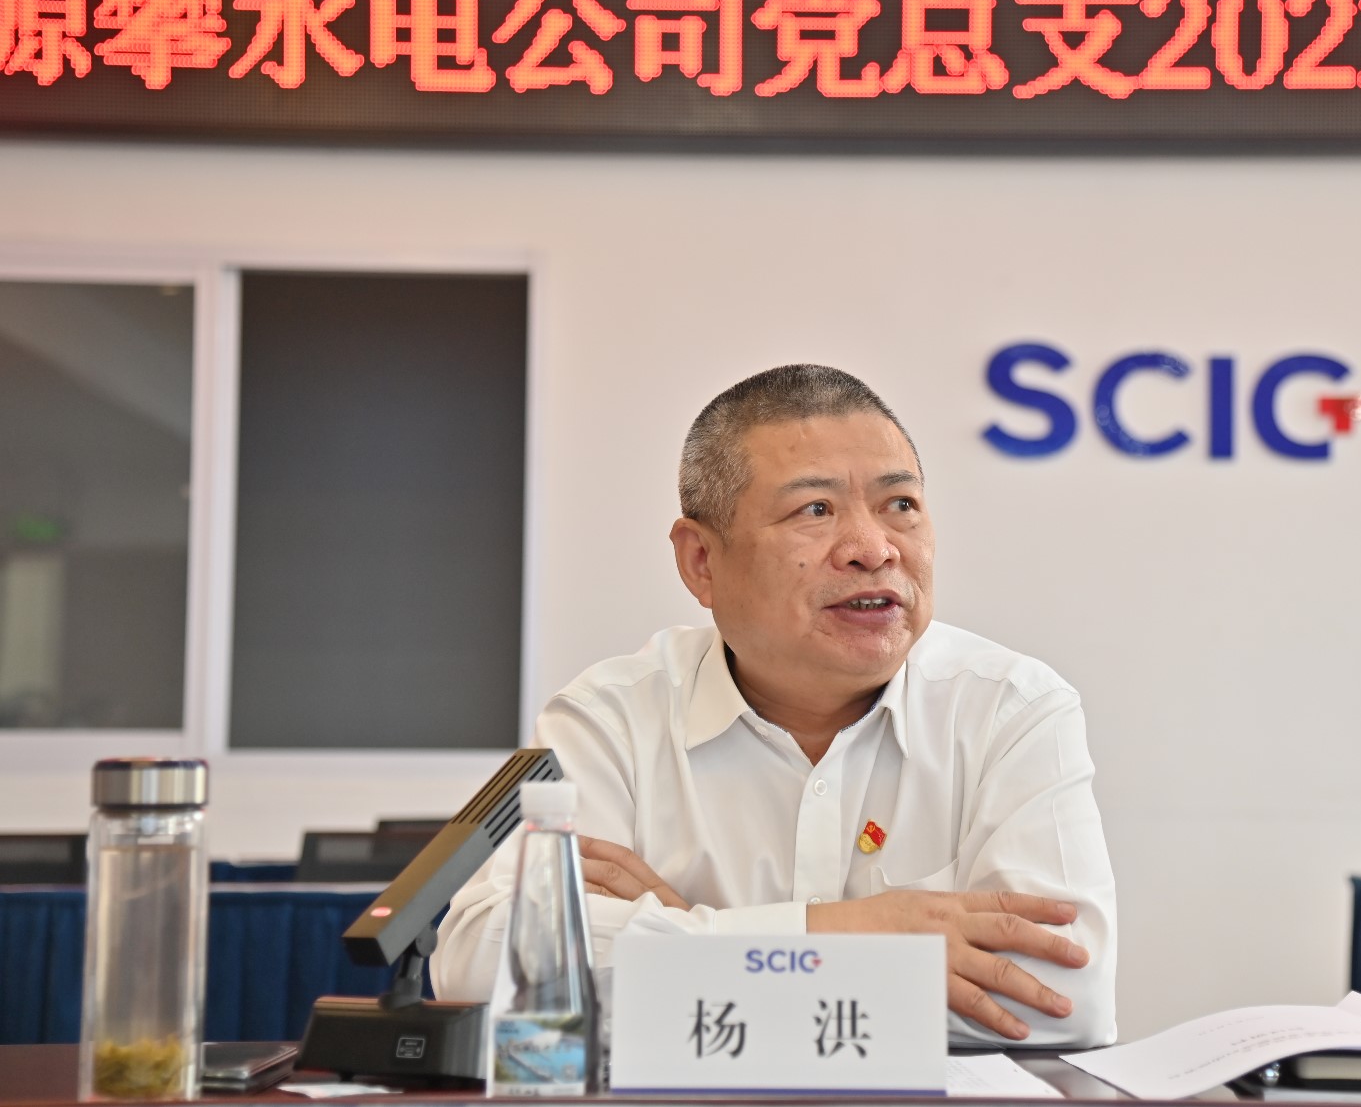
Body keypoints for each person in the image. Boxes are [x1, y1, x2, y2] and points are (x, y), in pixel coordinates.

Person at [433, 364, 1116, 1046]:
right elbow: (480, 963)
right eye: (815, 510)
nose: (874, 549)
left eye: (900, 504)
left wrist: (691, 944)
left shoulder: (1009, 710)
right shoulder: (612, 719)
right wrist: (845, 934)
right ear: (701, 562)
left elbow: (1061, 997)